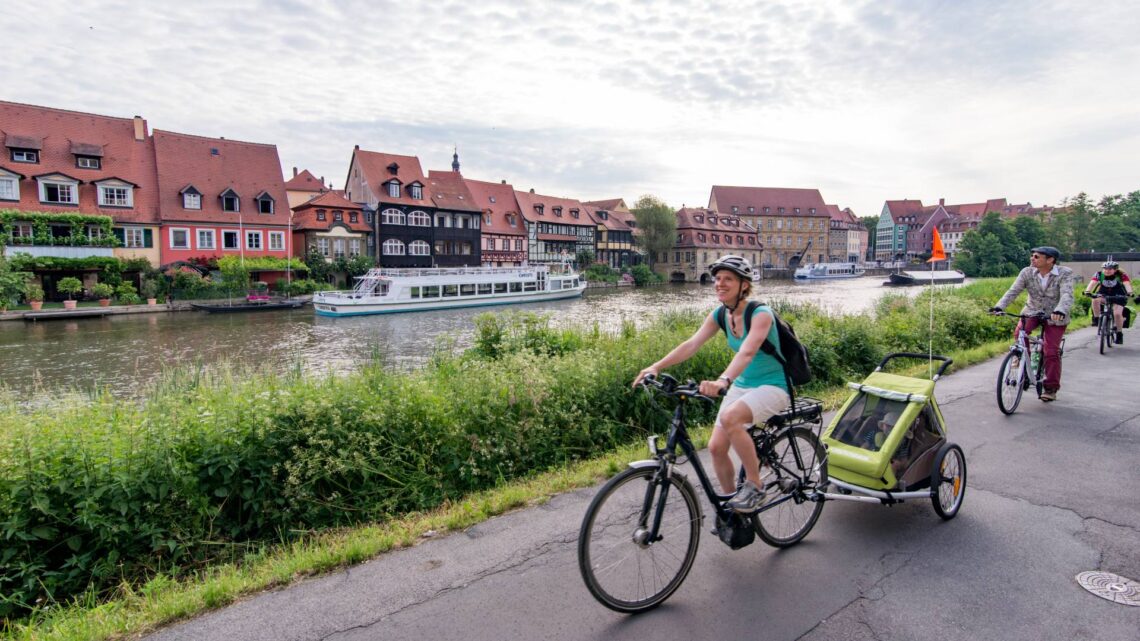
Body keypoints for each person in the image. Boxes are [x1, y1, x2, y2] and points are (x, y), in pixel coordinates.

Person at [632, 255, 790, 513]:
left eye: (728, 279)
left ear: (744, 285)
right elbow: (692, 344)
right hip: (744, 383)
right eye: (717, 278)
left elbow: (747, 352)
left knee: (731, 418)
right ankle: (731, 509)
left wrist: (722, 380)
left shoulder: (761, 314)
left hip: (774, 385)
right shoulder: (720, 314)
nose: (720, 283)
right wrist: (656, 367)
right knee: (716, 448)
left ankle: (755, 486)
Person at [989, 246, 1076, 402]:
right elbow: (1013, 291)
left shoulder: (1065, 273)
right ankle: (1023, 363)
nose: (1032, 259)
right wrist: (999, 307)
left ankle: (1050, 388)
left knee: (1051, 351)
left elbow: (1067, 294)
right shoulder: (1027, 272)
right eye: (1032, 256)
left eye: (1036, 256)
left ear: (1050, 260)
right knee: (1020, 333)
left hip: (1055, 315)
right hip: (1032, 311)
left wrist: (1060, 310)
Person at [1084, 259, 1135, 344]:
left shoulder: (1121, 275)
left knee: (1117, 314)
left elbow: (1127, 284)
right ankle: (1096, 319)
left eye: (1110, 269)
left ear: (1115, 270)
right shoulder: (1099, 274)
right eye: (1105, 269)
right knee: (1095, 299)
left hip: (1118, 296)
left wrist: (1130, 293)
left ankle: (1119, 334)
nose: (1107, 271)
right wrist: (1087, 291)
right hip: (1103, 294)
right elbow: (1092, 283)